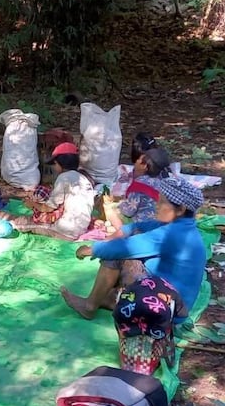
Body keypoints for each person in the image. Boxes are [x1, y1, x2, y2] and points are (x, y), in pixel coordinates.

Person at [61, 176, 206, 320]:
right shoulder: (181, 227)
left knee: (117, 255)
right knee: (126, 243)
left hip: (168, 310)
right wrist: (122, 232)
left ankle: (89, 307)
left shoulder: (172, 234)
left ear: (180, 209)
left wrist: (91, 250)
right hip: (173, 302)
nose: (157, 204)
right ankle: (109, 298)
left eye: (161, 202)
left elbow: (124, 248)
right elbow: (138, 226)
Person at [6, 142, 95, 240]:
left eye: (55, 164)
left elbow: (48, 208)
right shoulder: (84, 178)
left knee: (24, 223)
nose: (54, 167)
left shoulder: (64, 178)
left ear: (61, 163)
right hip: (81, 228)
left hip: (65, 230)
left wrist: (32, 204)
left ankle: (7, 222)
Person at [113, 276, 186, 375]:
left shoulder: (127, 297)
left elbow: (119, 314)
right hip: (158, 311)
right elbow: (180, 313)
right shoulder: (168, 295)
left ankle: (133, 357)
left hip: (137, 310)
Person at [103, 147, 171, 231]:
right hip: (164, 223)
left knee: (110, 212)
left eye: (139, 159)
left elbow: (128, 211)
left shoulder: (139, 184)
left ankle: (122, 232)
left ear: (145, 166)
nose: (136, 161)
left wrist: (120, 204)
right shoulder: (166, 181)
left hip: (143, 225)